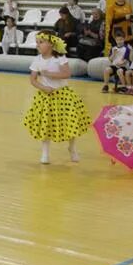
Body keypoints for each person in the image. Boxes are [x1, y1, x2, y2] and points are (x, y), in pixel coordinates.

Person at [23, 32, 91, 165]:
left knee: (69, 122)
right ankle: (45, 152)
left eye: (41, 42)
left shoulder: (60, 58)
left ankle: (72, 147)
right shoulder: (37, 60)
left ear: (51, 44)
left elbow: (67, 74)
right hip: (46, 96)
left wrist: (50, 74)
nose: (38, 45)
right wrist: (43, 88)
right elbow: (33, 79)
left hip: (63, 95)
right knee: (46, 124)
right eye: (37, 42)